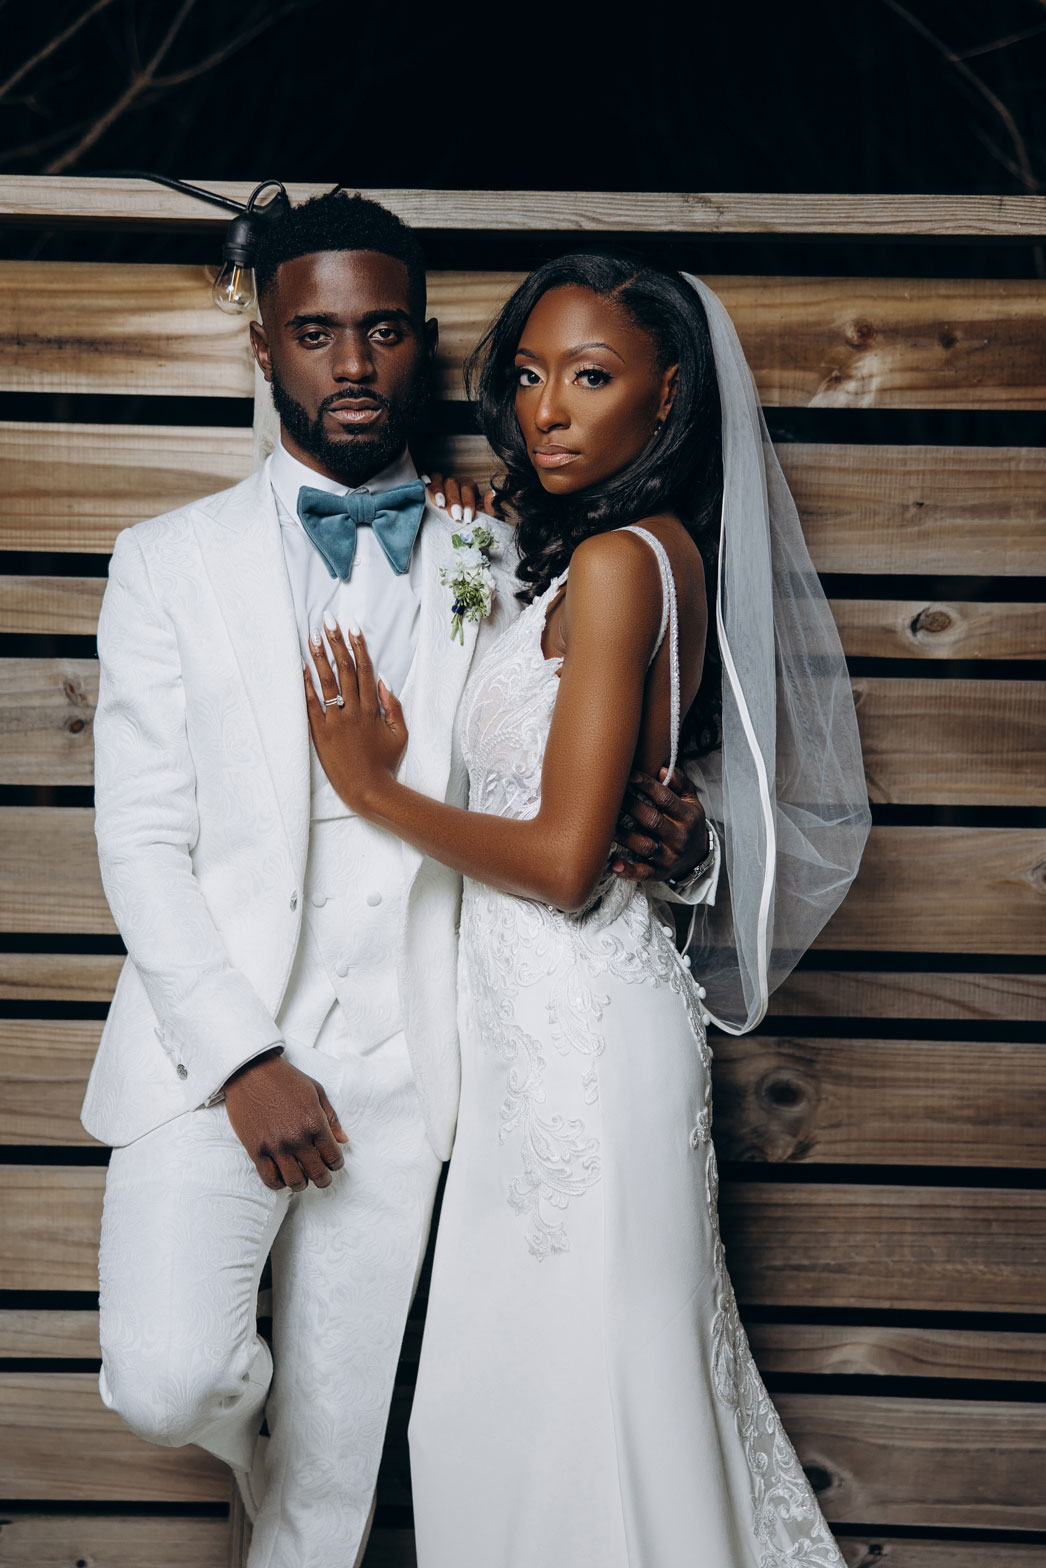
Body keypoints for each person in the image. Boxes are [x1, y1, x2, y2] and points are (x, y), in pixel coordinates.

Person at [82, 195, 711, 1568]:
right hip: (215, 1062)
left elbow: (572, 751)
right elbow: (137, 841)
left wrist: (674, 830)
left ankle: (298, 1481)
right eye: (316, 334)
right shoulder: (163, 565)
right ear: (266, 349)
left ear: (421, 345)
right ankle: (259, 1446)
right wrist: (245, 1055)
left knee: (333, 1492)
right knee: (166, 1376)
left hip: (417, 1070)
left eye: (380, 333)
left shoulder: (497, 544)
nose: (351, 364)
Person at [303, 251, 871, 1567]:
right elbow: (600, 785)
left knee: (569, 1402)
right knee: (524, 1405)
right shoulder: (607, 557)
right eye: (527, 374)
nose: (547, 407)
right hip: (534, 1035)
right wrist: (471, 540)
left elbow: (563, 861)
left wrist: (368, 785)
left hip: (575, 1035)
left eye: (591, 376)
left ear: (666, 396)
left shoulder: (620, 562)